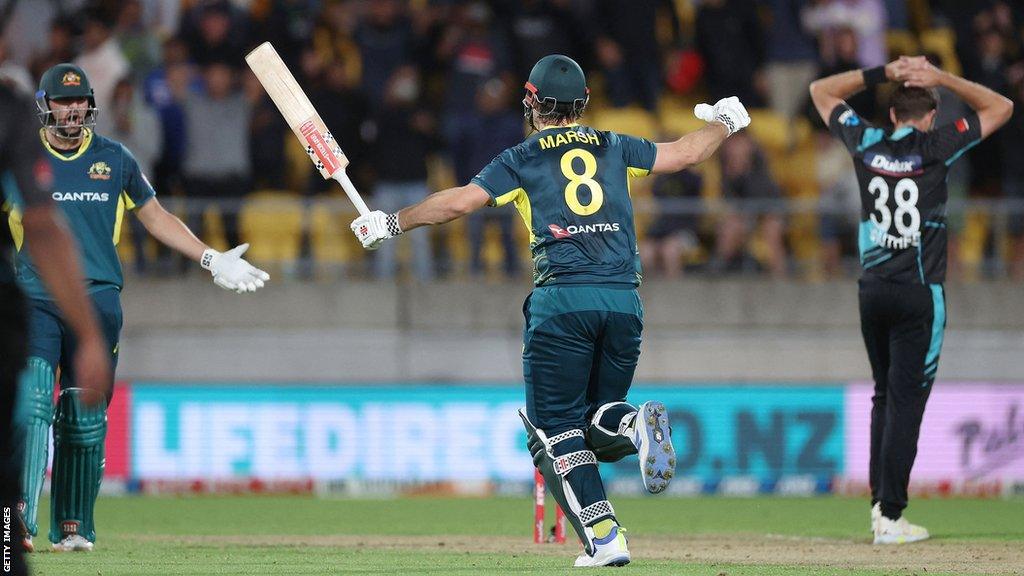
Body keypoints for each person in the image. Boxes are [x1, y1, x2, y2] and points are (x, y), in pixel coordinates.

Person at [350, 54, 751, 566]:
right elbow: (686, 154)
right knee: (591, 422)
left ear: (532, 102)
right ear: (582, 104)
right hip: (624, 301)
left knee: (553, 430)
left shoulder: (520, 158)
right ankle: (631, 426)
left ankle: (605, 538)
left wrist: (392, 223)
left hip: (562, 301)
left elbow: (458, 204)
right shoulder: (612, 145)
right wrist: (725, 121)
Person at [10, 63, 269, 553]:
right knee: (33, 403)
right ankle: (14, 520)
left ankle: (73, 526)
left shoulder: (114, 158)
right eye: (62, 101)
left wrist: (210, 257)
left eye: (79, 100)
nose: (72, 109)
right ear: (44, 106)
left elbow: (156, 216)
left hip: (98, 301)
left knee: (83, 419)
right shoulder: (20, 159)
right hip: (36, 296)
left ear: (90, 104)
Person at [810, 56, 1012, 544]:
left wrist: (883, 73)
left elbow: (821, 91)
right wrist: (940, 76)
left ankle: (881, 508)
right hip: (919, 293)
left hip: (872, 291)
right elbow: (1002, 106)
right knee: (907, 401)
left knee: (884, 395)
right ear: (929, 114)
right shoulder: (938, 144)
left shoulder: (867, 141)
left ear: (893, 115)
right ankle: (892, 516)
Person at [1, 83, 111, 576]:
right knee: (26, 415)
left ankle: (22, 530)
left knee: (41, 416)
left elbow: (42, 224)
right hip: (16, 298)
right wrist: (89, 337)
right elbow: (43, 226)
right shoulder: (9, 109)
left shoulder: (11, 112)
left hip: (24, 299)